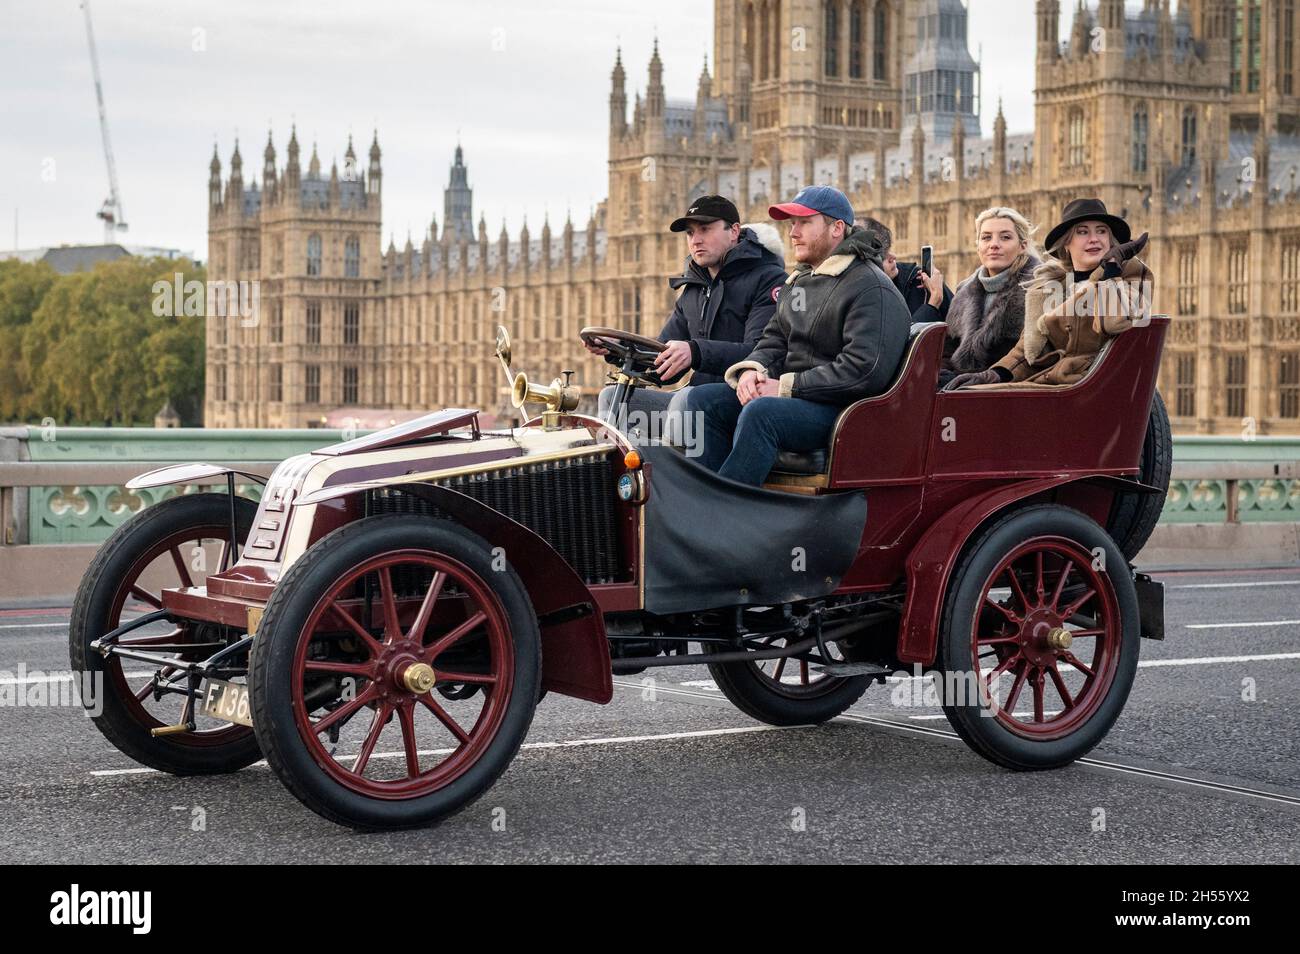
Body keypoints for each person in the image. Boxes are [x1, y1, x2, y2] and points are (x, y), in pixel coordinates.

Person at [684, 186, 910, 486]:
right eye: (792, 223)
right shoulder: (801, 282)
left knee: (762, 413)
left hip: (845, 411)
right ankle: (703, 497)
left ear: (836, 228)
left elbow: (862, 371)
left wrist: (786, 387)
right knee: (702, 401)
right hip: (801, 399)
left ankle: (726, 508)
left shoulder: (870, 287)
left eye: (804, 222)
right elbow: (774, 340)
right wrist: (753, 370)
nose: (794, 232)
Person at [590, 194, 788, 442]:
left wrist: (695, 352)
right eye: (690, 233)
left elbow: (761, 354)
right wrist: (615, 349)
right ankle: (623, 476)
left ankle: (673, 476)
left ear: (734, 231)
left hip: (740, 399)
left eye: (705, 229)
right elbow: (662, 359)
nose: (696, 240)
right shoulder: (694, 289)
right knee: (612, 398)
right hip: (693, 399)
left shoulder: (769, 280)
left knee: (686, 400)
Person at [945, 198, 1152, 389]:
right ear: (1066, 243)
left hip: (1093, 387)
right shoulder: (1048, 286)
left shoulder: (1131, 274)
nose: (1094, 239)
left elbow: (1113, 322)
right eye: (1082, 232)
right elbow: (1029, 351)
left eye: (1101, 231)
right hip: (1048, 384)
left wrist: (1111, 270)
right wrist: (994, 375)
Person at [938, 207, 1041, 389]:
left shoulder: (1041, 286)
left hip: (1012, 391)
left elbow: (1039, 353)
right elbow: (948, 350)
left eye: (1005, 237)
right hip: (961, 391)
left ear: (1023, 245)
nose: (994, 244)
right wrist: (943, 375)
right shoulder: (964, 291)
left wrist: (990, 377)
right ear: (977, 245)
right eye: (986, 237)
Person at [860, 216, 952, 323]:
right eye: (882, 255)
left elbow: (961, 325)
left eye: (889, 249)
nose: (893, 256)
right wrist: (933, 302)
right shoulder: (858, 299)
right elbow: (898, 338)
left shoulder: (916, 279)